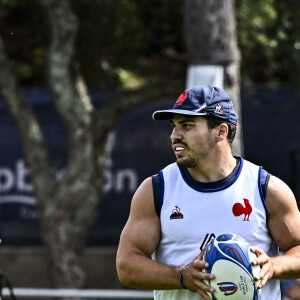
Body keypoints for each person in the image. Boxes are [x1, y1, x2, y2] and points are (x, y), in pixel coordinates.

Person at [116, 85, 300, 300]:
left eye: (186, 125)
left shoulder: (266, 188)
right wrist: (181, 276)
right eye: (174, 126)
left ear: (221, 131)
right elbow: (126, 265)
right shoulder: (157, 189)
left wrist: (273, 266)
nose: (174, 135)